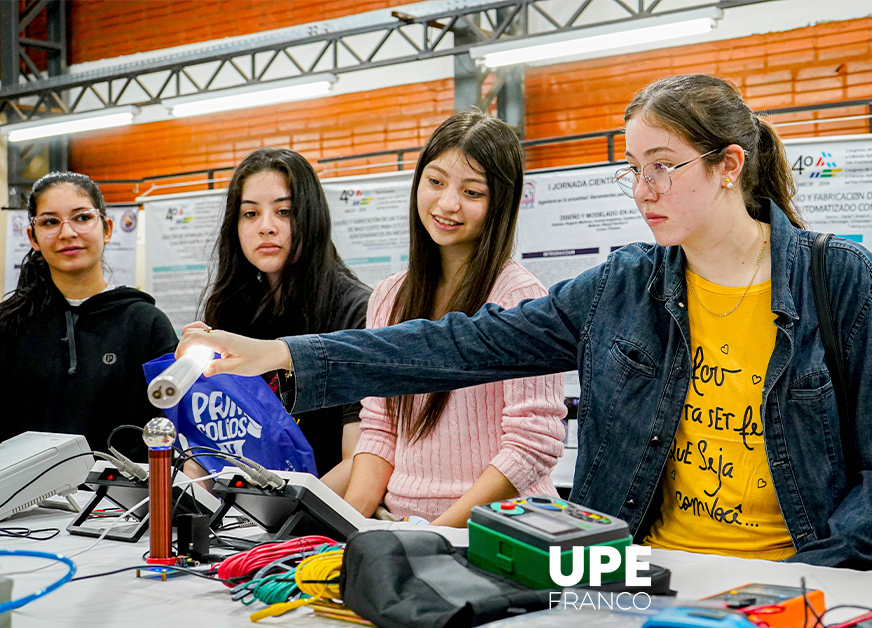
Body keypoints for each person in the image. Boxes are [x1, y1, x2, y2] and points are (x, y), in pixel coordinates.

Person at [178, 74, 872, 564]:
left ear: (729, 165)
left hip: (790, 579)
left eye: (662, 165)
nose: (642, 188)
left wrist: (815, 578)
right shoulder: (623, 286)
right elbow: (462, 345)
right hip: (635, 574)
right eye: (631, 167)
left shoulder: (842, 282)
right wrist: (280, 353)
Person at [341, 111, 566, 527]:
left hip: (498, 529)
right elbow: (380, 428)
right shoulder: (390, 296)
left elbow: (532, 444)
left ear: (500, 203)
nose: (447, 203)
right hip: (404, 527)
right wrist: (350, 527)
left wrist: (440, 535)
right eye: (436, 181)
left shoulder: (520, 297)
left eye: (472, 191)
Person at [199, 147, 370, 481]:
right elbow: (212, 446)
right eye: (250, 214)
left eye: (285, 211)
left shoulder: (356, 310)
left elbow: (359, 461)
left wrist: (286, 519)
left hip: (318, 518)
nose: (266, 227)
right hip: (242, 513)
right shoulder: (231, 309)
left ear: (311, 217)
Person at [0, 172, 177, 450]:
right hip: (22, 492)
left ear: (106, 229)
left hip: (120, 492)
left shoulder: (146, 324)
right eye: (50, 222)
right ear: (33, 237)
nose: (68, 233)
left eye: (82, 218)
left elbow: (171, 426)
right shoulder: (9, 325)